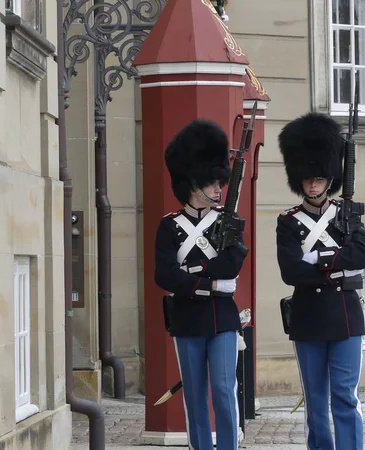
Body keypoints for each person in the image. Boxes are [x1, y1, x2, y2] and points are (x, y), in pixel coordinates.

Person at [276, 112, 365, 450]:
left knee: (345, 397)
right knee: (316, 402)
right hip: (308, 319)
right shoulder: (288, 222)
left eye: (319, 178)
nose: (314, 184)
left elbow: (360, 256)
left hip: (345, 316)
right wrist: (335, 264)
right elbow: (290, 271)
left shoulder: (349, 215)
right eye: (308, 179)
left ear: (328, 177)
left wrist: (316, 260)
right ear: (299, 180)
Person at [154, 119, 248, 450]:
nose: (218, 189)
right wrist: (208, 282)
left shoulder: (228, 222)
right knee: (194, 396)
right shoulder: (169, 226)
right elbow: (163, 275)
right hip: (187, 319)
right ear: (194, 184)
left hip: (222, 317)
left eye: (219, 183)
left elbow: (232, 264)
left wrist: (191, 272)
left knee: (224, 389)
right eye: (211, 184)